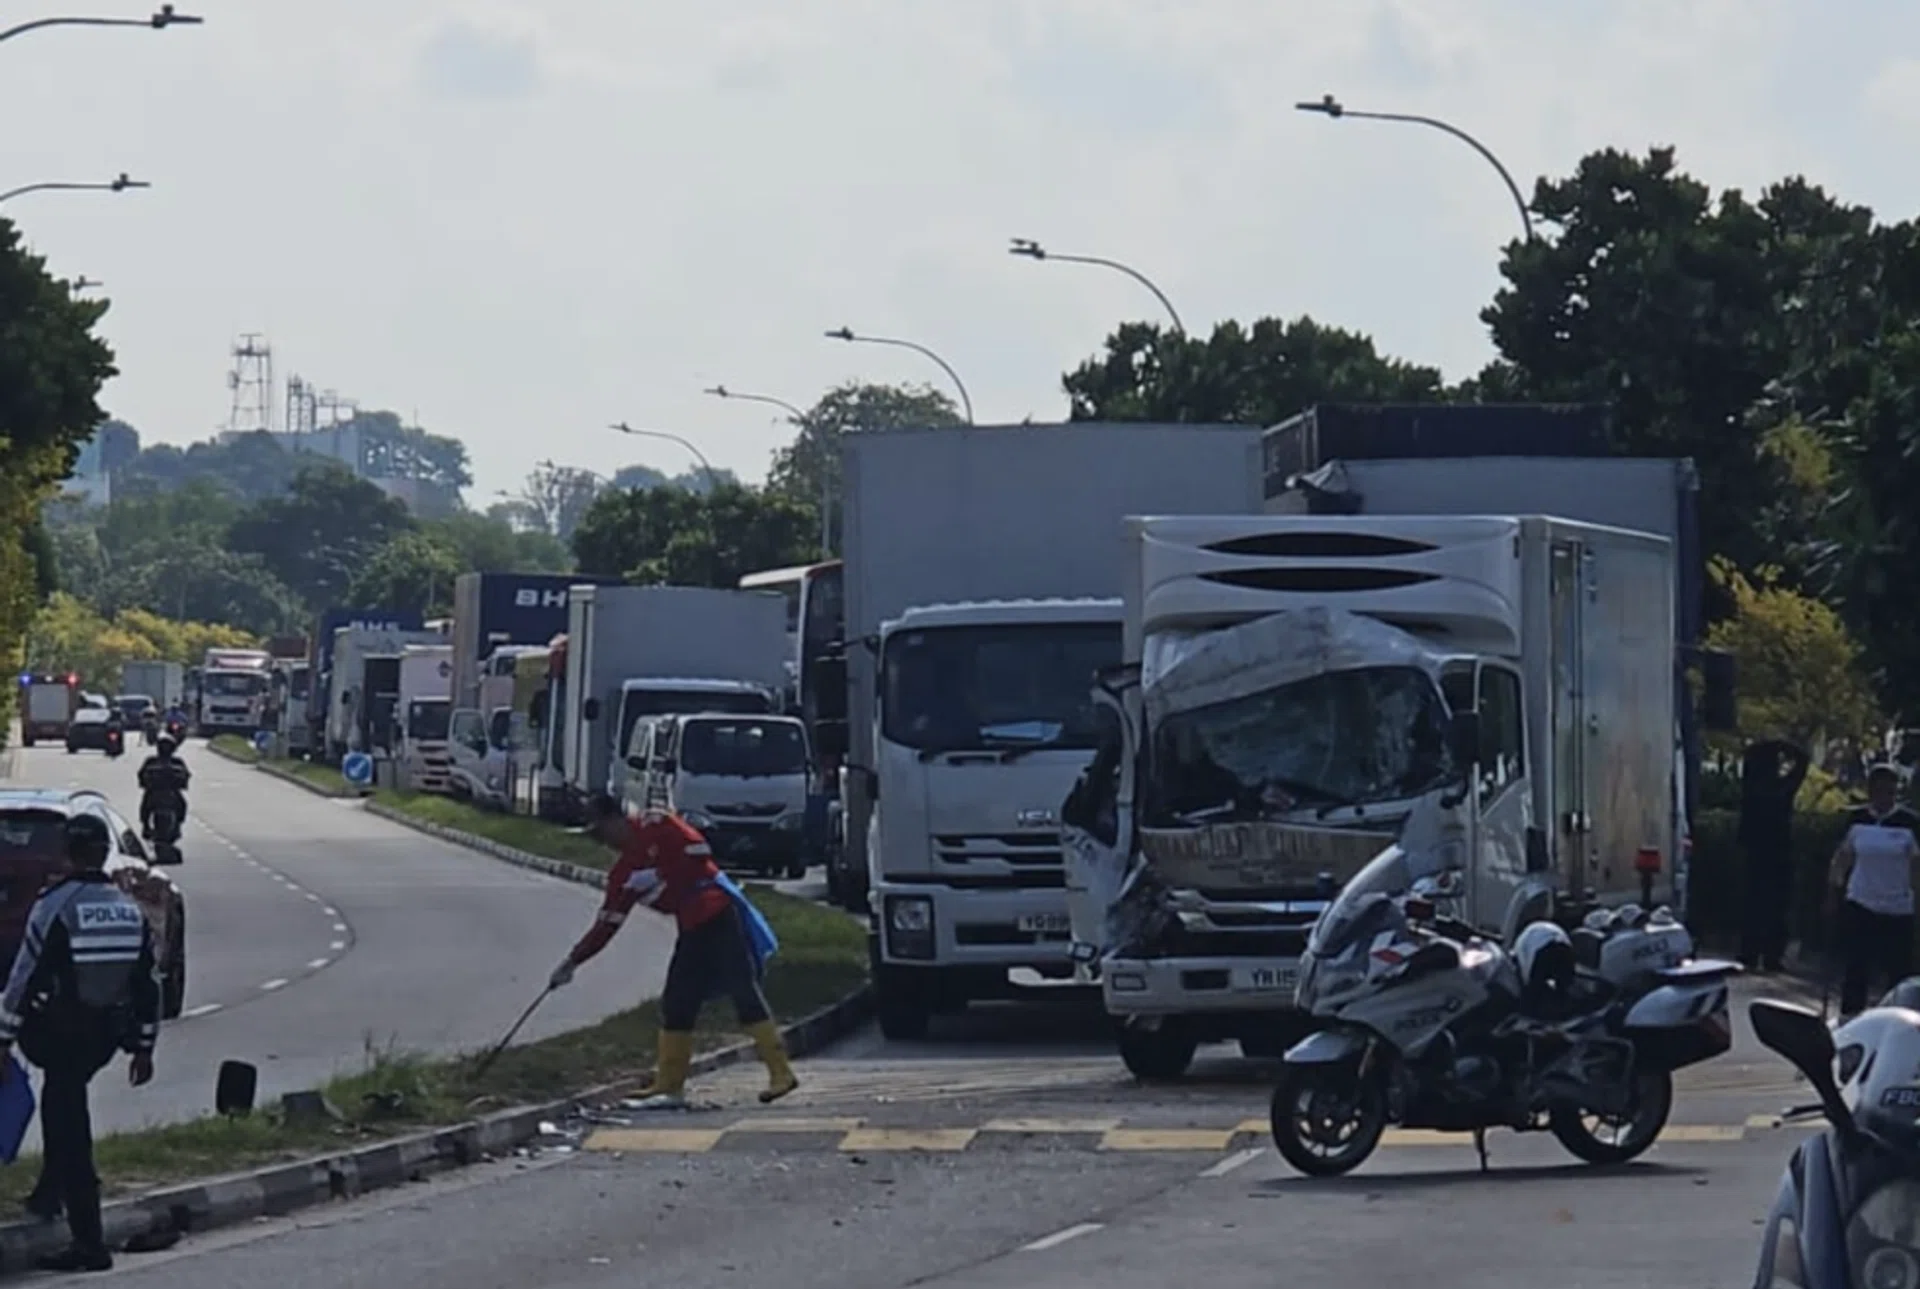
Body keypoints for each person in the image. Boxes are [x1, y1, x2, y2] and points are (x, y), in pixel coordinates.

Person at [549, 792, 796, 1108]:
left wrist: (664, 872)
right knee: (677, 1001)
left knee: (742, 988)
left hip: (717, 914)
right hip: (692, 927)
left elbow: (699, 850)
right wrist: (572, 961)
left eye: (601, 829)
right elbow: (607, 924)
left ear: (618, 819)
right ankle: (669, 1084)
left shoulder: (658, 823)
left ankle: (780, 1072)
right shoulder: (623, 875)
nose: (602, 840)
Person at [0, 813, 160, 1273]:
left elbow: (23, 979)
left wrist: (4, 1038)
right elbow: (148, 985)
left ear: (66, 854)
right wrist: (143, 1047)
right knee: (64, 1107)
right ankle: (47, 1198)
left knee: (69, 1129)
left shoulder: (56, 906)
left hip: (57, 1034)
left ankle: (88, 1242)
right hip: (104, 1037)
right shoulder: (128, 908)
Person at [1827, 763, 1920, 1018]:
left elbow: (1916, 866)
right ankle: (1850, 1019)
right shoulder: (1857, 820)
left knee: (1898, 973)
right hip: (1861, 902)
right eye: (1877, 790)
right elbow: (1842, 858)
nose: (1883, 796)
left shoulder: (1909, 823)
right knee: (1856, 968)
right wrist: (1834, 892)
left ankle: (1898, 1021)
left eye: (1888, 791)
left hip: (1897, 908)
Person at [1739, 738, 1810, 971]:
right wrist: (1783, 745)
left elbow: (1749, 757)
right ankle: (1771, 956)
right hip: (1779, 853)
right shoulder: (1781, 789)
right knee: (1777, 907)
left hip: (1753, 853)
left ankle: (1748, 953)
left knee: (1752, 903)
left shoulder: (1750, 787)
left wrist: (1769, 745)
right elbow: (1802, 761)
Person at [137, 735, 192, 838]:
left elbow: (187, 774)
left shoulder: (177, 761)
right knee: (145, 805)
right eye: (163, 746)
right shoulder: (151, 760)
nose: (165, 749)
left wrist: (182, 781)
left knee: (182, 804)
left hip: (171, 791)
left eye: (168, 746)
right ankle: (145, 826)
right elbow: (141, 773)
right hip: (154, 791)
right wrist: (144, 782)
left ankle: (178, 825)